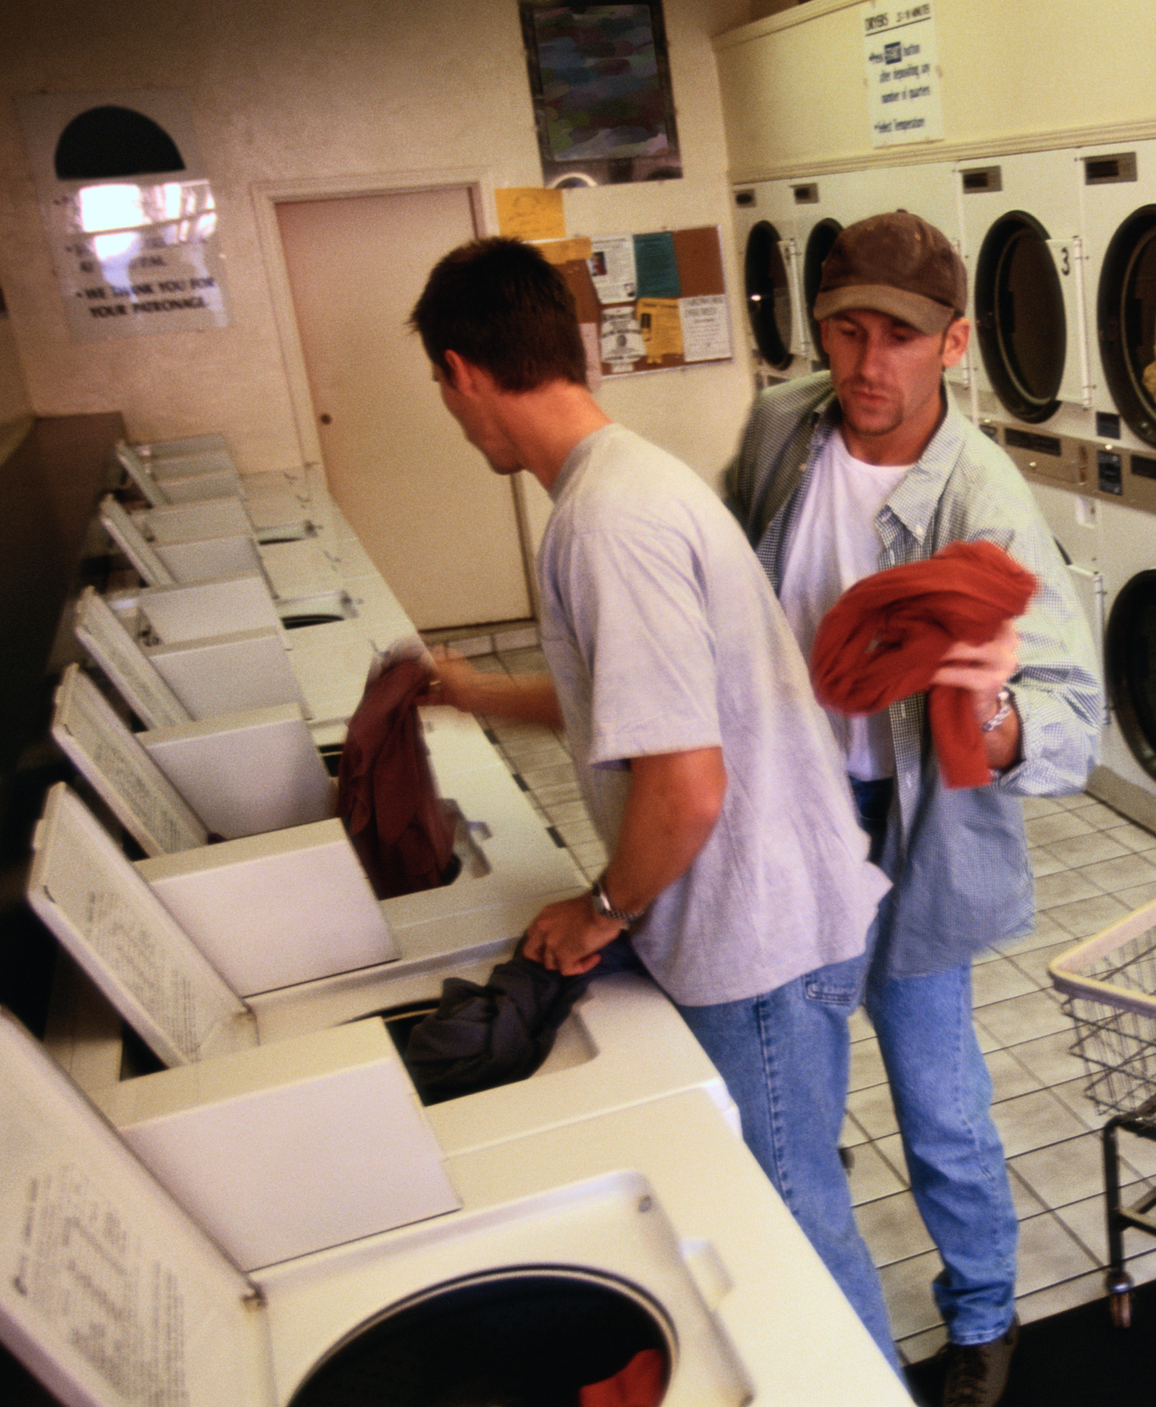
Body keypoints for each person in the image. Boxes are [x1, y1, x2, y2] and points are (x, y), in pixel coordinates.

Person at [405, 236, 897, 1356]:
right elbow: (631, 706)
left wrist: (604, 913)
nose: (449, 410)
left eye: (441, 389)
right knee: (784, 1200)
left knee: (789, 1224)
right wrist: (476, 693)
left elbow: (686, 784)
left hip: (758, 941)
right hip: (769, 913)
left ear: (463, 372)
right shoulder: (624, 478)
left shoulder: (603, 522)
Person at [724, 211, 1104, 1407]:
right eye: (845, 329)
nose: (867, 362)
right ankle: (816, 1315)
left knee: (936, 1090)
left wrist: (989, 718)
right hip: (791, 809)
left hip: (913, 828)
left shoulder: (979, 502)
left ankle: (984, 1316)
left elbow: (1069, 725)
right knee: (798, 1092)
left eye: (899, 335)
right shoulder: (782, 429)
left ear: (954, 344)